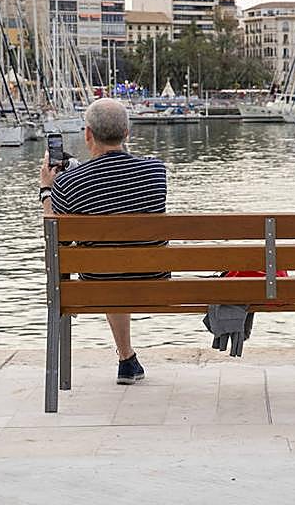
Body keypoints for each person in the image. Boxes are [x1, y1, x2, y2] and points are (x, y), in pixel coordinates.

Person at [39, 98, 168, 386]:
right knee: (122, 259)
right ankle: (127, 360)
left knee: (108, 264)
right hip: (154, 278)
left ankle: (126, 359)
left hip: (98, 281)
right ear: (128, 133)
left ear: (87, 134)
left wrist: (47, 189)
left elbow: (54, 232)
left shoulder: (69, 183)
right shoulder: (157, 173)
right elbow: (119, 175)